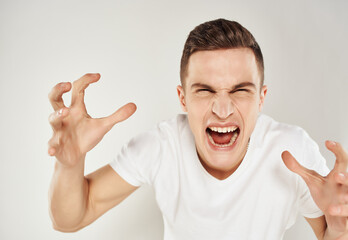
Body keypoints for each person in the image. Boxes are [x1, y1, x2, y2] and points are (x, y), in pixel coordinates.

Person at [48, 19, 348, 239]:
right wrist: (68, 164)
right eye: (205, 91)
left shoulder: (292, 151)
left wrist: (339, 229)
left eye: (240, 90)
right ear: (183, 98)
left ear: (261, 98)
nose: (222, 109)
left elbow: (330, 235)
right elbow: (69, 219)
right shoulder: (161, 146)